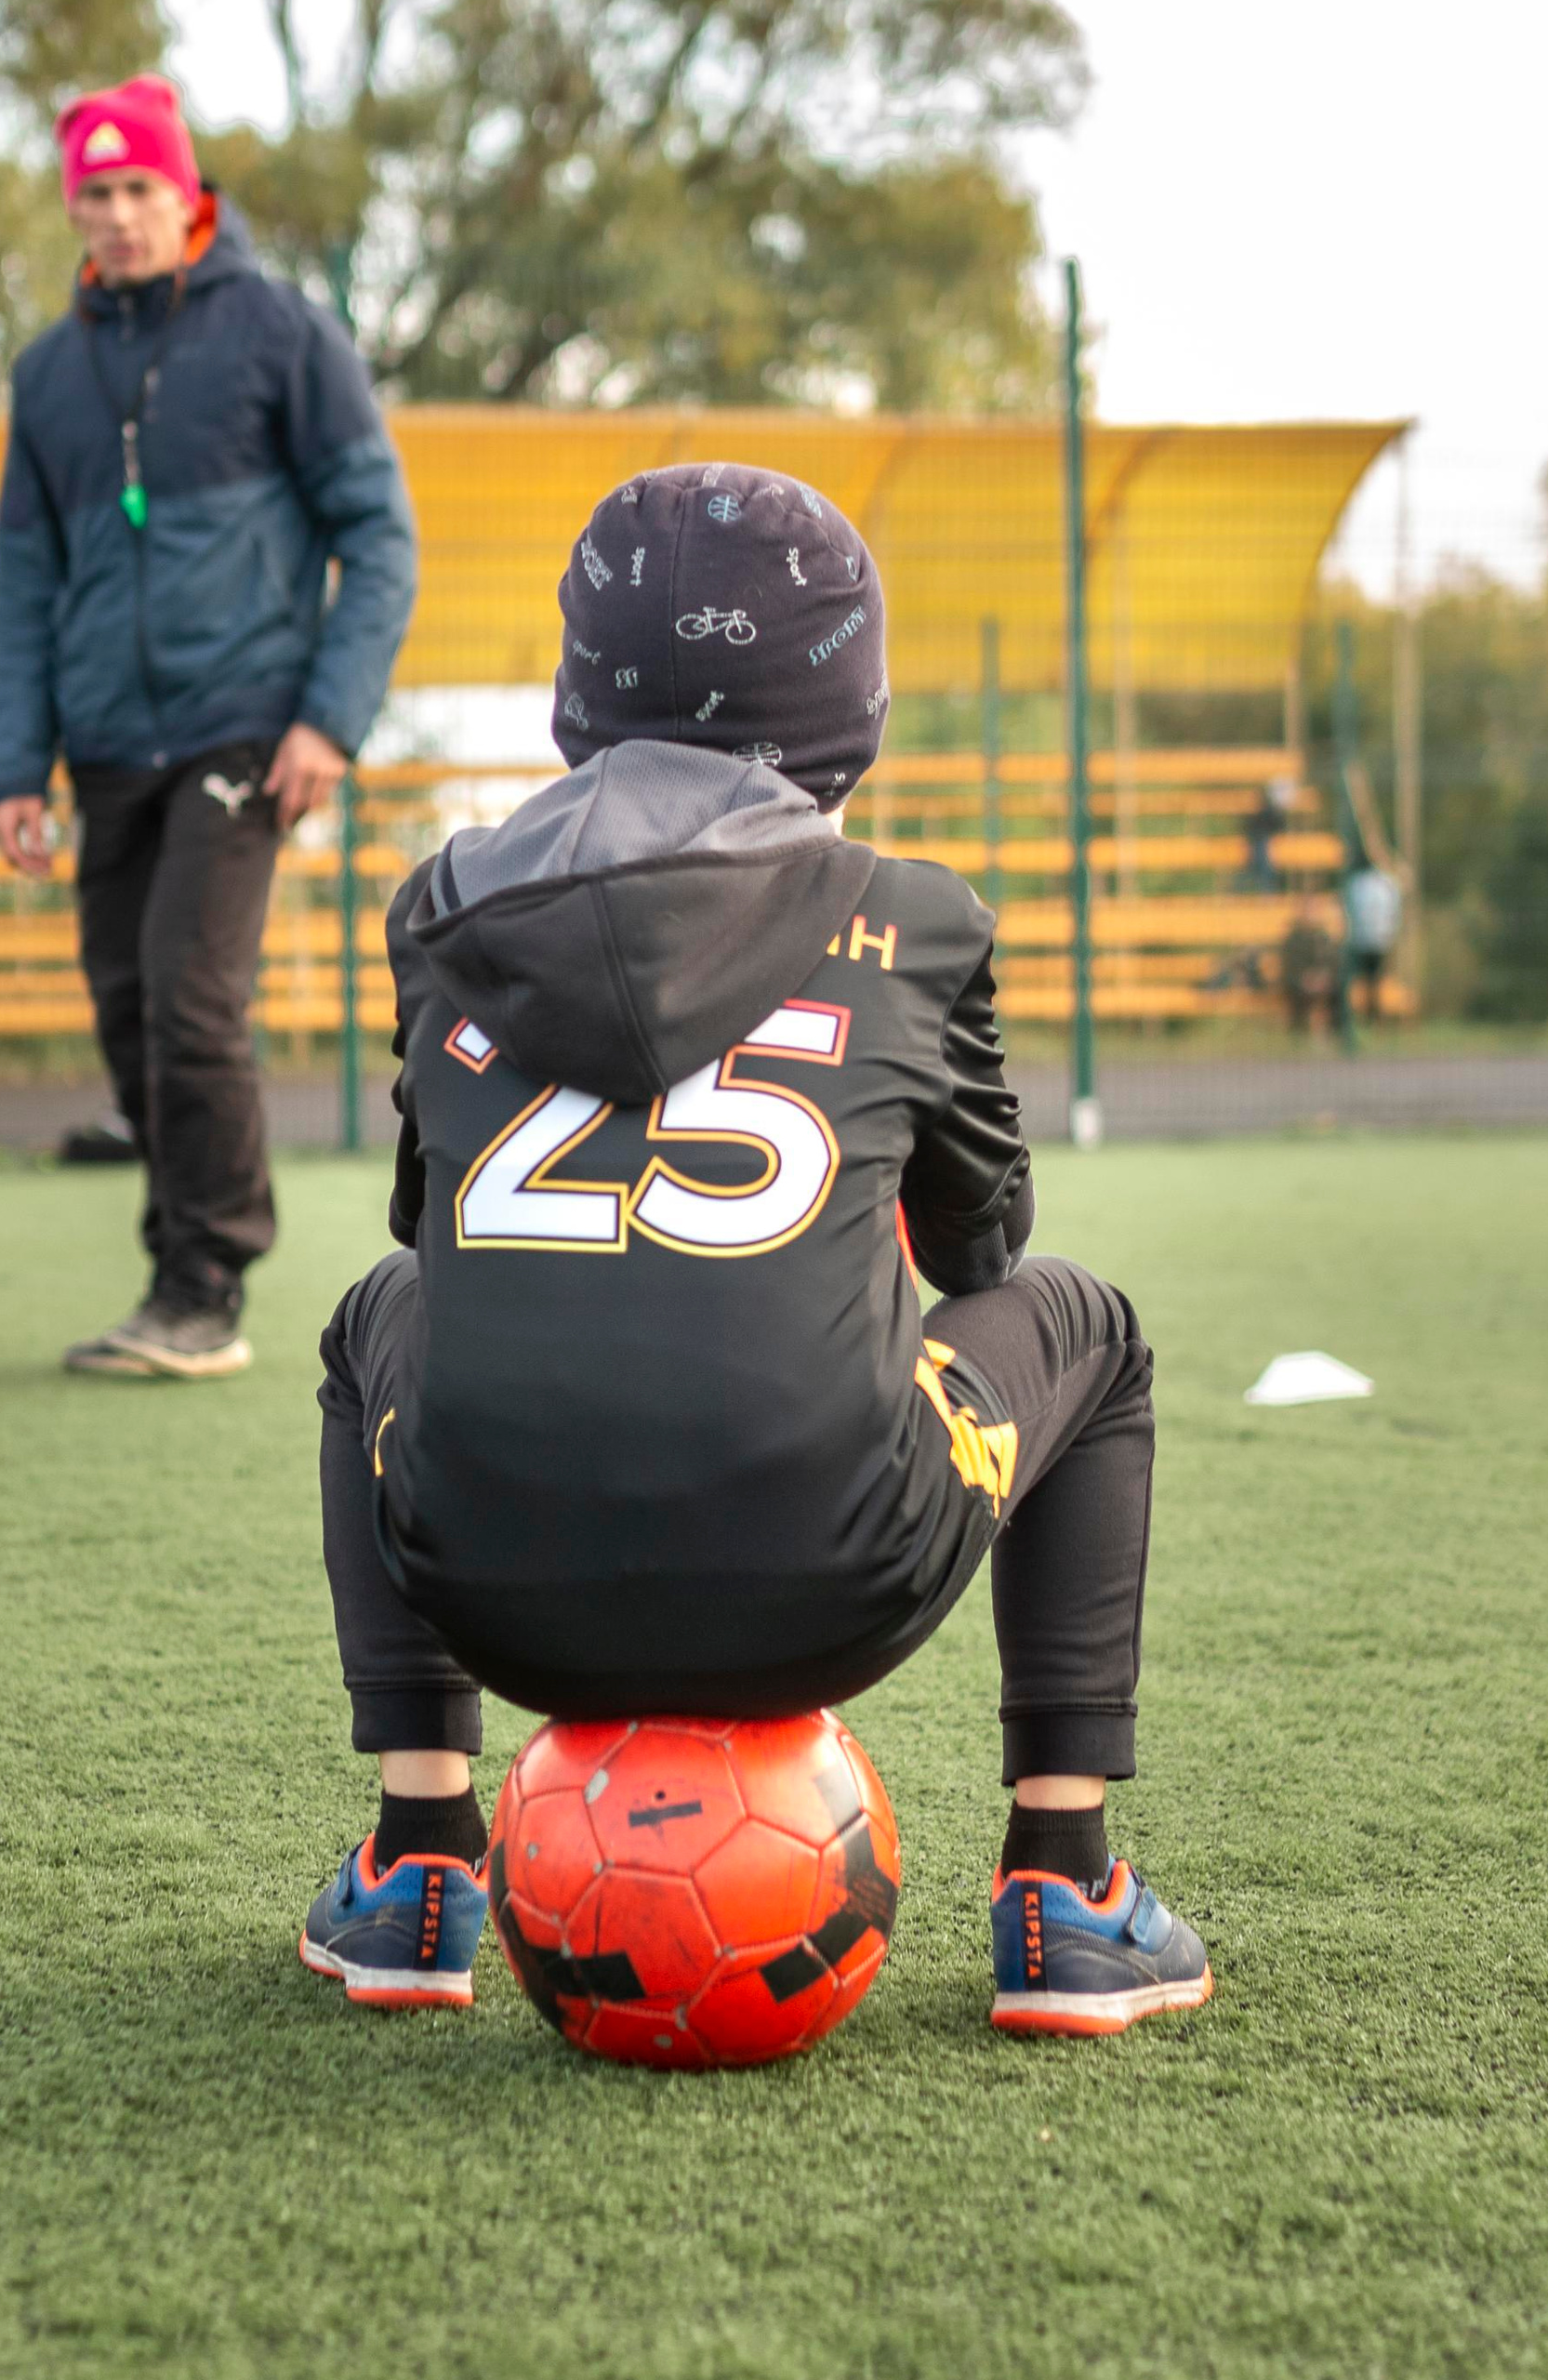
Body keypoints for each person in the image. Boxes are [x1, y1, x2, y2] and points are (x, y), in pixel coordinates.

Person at [296, 467, 1211, 2039]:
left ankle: (419, 1863)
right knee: (1094, 1333)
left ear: (582, 693)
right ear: (844, 700)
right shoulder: (915, 913)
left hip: (492, 1590)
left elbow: (427, 1236)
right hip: (830, 1580)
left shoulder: (438, 905)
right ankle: (1066, 1888)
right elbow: (988, 1247)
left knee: (371, 1312)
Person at [0, 73, 417, 1382]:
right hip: (105, 743)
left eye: (138, 191)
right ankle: (171, 1268)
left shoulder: (285, 336)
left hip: (243, 728)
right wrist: (19, 762)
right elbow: (25, 574)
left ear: (188, 200)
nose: (116, 216)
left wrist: (329, 724)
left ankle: (204, 1280)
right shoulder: (49, 374)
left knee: (190, 995)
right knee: (127, 1008)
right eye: (95, 194)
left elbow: (380, 539)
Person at [1343, 861, 1402, 1021]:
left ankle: (1374, 1015)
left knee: (1375, 978)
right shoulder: (1361, 883)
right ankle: (1366, 1014)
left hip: (1375, 938)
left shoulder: (1382, 883)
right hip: (1367, 938)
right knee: (1366, 979)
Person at [1279, 897, 1340, 1038]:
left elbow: (1331, 961)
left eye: (1314, 910)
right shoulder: (1293, 938)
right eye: (1308, 911)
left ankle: (1329, 1032)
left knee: (1335, 988)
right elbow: (1290, 966)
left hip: (1322, 981)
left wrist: (1323, 977)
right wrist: (1306, 978)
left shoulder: (1324, 938)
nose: (1311, 914)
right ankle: (1302, 1031)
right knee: (1302, 992)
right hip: (1300, 981)